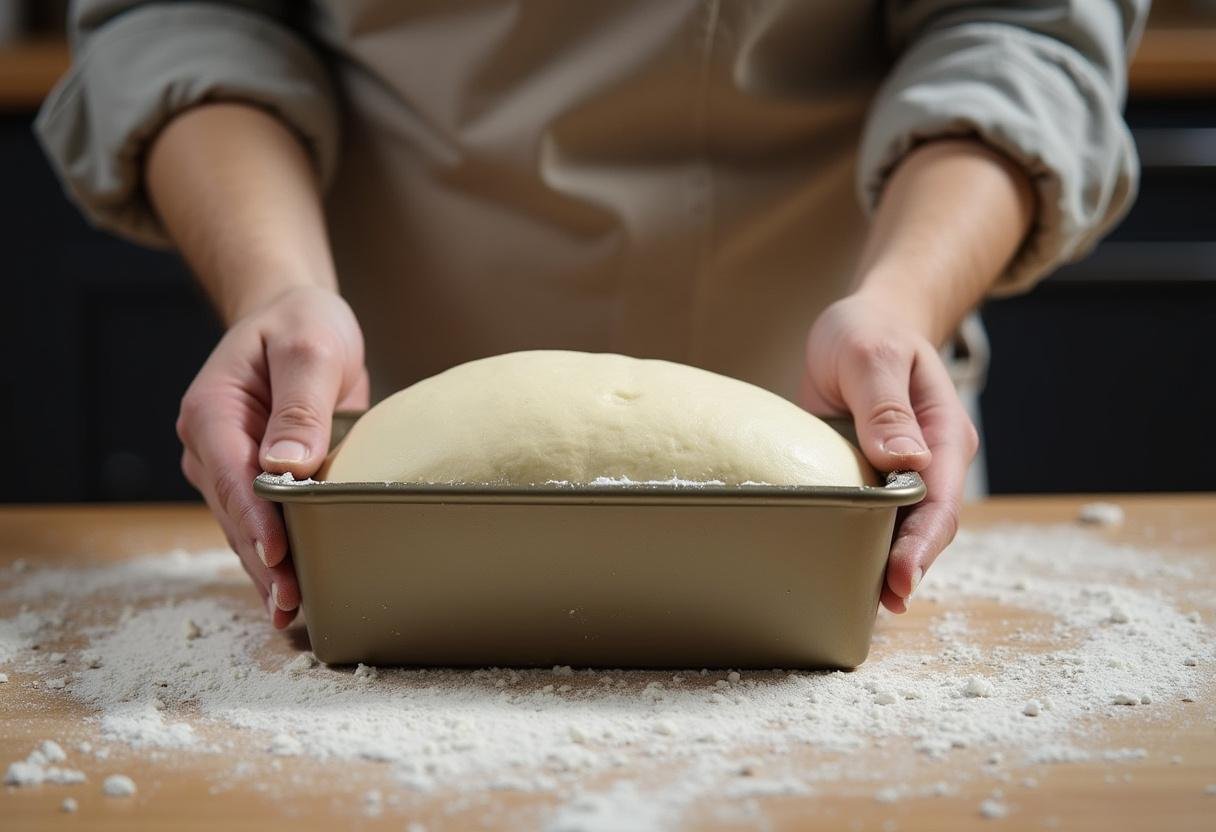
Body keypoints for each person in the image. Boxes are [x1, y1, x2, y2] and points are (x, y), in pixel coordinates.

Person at [36, 1, 1146, 629]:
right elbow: (188, 17)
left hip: (835, 441)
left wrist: (904, 300)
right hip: (368, 458)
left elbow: (1021, 31)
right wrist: (277, 291)